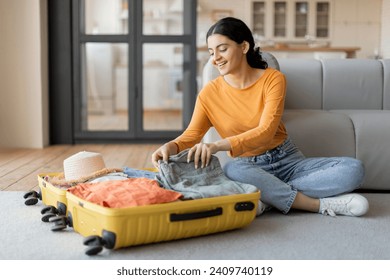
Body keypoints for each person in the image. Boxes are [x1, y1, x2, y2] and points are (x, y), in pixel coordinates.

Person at [151, 17, 369, 217]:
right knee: (232, 169)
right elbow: (191, 135)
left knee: (353, 170)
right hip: (248, 166)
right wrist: (170, 147)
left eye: (222, 49)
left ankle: (266, 194)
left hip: (288, 160)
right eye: (211, 52)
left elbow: (266, 132)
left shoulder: (273, 80)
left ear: (244, 46)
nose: (215, 58)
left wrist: (217, 145)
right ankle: (317, 205)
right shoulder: (209, 93)